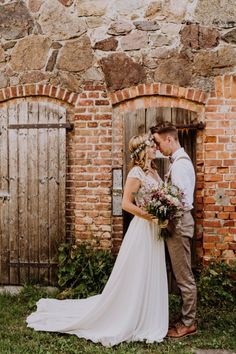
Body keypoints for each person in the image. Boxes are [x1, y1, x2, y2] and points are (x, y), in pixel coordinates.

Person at [26, 133, 168, 347]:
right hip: (142, 229)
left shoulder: (154, 171)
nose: (155, 147)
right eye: (151, 145)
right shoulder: (136, 172)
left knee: (150, 270)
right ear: (142, 150)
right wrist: (150, 216)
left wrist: (164, 212)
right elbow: (126, 204)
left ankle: (149, 311)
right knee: (138, 271)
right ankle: (131, 312)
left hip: (155, 230)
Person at [150, 121, 197, 338]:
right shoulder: (176, 162)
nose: (158, 148)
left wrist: (165, 214)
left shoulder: (180, 165)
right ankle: (184, 318)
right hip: (176, 223)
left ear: (169, 139)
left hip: (179, 223)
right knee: (180, 274)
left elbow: (181, 201)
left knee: (183, 276)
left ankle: (188, 322)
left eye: (159, 143)